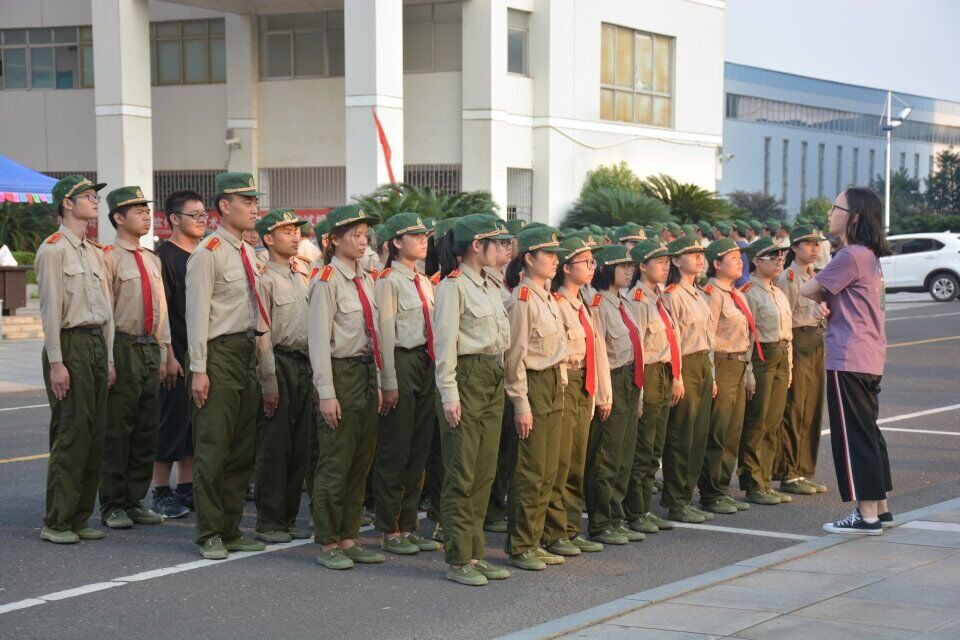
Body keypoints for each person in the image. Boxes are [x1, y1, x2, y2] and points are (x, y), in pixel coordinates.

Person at [185, 172, 268, 559]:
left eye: (255, 201)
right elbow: (197, 315)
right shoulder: (209, 252)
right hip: (218, 354)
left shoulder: (247, 253)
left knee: (240, 448)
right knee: (213, 448)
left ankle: (231, 528)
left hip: (246, 353)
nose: (254, 208)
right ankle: (209, 532)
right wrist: (199, 369)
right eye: (246, 202)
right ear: (224, 206)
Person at [801, 188, 892, 535]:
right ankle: (880, 508)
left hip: (848, 355)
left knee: (853, 436)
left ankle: (866, 515)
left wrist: (823, 293)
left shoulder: (850, 255)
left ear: (854, 216)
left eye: (835, 207)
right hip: (868, 355)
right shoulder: (869, 256)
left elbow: (808, 289)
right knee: (868, 432)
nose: (829, 212)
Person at [433, 214, 513, 586]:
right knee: (462, 471)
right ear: (476, 245)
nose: (503, 248)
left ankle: (475, 552)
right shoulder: (453, 287)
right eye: (496, 242)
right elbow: (444, 344)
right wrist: (449, 393)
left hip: (491, 376)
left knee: (484, 471)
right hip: (466, 377)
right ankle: (459, 557)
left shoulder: (488, 284)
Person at [35, 175, 114, 544]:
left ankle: (80, 516)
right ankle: (57, 520)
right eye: (87, 196)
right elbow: (50, 311)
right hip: (70, 345)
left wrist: (109, 359)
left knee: (95, 436)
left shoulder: (94, 251)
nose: (94, 200)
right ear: (67, 203)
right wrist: (57, 362)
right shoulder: (53, 250)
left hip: (95, 344)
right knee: (71, 434)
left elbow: (107, 312)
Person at [309, 204, 386, 570]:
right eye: (354, 234)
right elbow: (318, 342)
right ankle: (328, 540)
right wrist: (326, 393)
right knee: (335, 460)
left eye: (364, 235)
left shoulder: (366, 279)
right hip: (340, 373)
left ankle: (349, 537)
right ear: (334, 240)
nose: (361, 240)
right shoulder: (326, 281)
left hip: (366, 373)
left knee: (360, 460)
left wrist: (381, 382)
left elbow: (375, 334)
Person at [99, 186, 169, 529]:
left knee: (146, 429)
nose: (146, 215)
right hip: (123, 347)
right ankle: (112, 503)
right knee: (118, 430)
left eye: (147, 210)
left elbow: (162, 311)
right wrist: (109, 360)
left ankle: (134, 500)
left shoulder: (152, 259)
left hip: (150, 348)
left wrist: (165, 353)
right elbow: (105, 313)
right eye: (138, 211)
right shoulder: (107, 257)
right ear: (118, 217)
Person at [372, 212, 441, 556]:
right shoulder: (389, 281)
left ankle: (409, 524)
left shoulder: (423, 280)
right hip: (401, 361)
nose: (423, 240)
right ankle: (390, 528)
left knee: (419, 447)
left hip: (425, 362)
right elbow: (384, 333)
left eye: (425, 235)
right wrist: (387, 381)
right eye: (415, 236)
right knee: (396, 448)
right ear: (396, 242)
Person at [502, 226, 568, 571]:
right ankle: (521, 543)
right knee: (530, 470)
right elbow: (514, 357)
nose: (555, 261)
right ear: (529, 258)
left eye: (557, 255)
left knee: (548, 469)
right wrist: (520, 403)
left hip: (553, 383)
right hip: (533, 385)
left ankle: (536, 538)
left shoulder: (546, 297)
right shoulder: (522, 300)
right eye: (548, 254)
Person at [543, 237, 611, 555]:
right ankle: (554, 532)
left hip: (584, 383)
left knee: (576, 462)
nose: (592, 267)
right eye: (586, 262)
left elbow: (596, 350)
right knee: (560, 461)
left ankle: (571, 528)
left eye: (593, 262)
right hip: (566, 383)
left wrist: (601, 393)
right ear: (567, 268)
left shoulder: (583, 303)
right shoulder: (557, 303)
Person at [251, 209, 313, 544]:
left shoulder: (302, 273)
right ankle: (269, 520)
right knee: (275, 445)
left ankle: (288, 518)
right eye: (286, 231)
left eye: (296, 230)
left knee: (299, 445)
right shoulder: (265, 278)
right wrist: (268, 379)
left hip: (303, 362)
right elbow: (262, 333)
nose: (295, 236)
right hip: (279, 361)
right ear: (268, 238)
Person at [623, 239, 684, 533]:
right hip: (647, 374)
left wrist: (675, 376)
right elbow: (637, 348)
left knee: (655, 446)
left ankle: (645, 508)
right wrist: (641, 391)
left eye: (667, 262)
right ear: (642, 266)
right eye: (659, 262)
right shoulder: (637, 300)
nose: (666, 266)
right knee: (643, 446)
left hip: (663, 372)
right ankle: (635, 510)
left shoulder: (658, 297)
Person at [584, 245, 643, 546]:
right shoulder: (598, 304)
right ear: (607, 269)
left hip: (630, 381)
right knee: (606, 456)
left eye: (631, 266)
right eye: (622, 266)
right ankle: (600, 522)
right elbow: (598, 355)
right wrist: (604, 394)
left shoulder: (625, 302)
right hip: (613, 381)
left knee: (624, 455)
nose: (629, 271)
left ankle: (616, 518)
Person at [154, 190, 207, 518]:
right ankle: (161, 491)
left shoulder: (203, 255)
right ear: (174, 219)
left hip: (198, 352)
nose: (202, 220)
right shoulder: (164, 257)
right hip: (176, 351)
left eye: (204, 215)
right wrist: (169, 355)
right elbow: (162, 312)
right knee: (170, 424)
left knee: (192, 425)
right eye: (194, 215)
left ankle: (186, 487)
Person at [696, 238, 754, 515]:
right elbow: (707, 337)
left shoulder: (737, 293)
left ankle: (721, 488)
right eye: (732, 258)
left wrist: (749, 372)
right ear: (716, 264)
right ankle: (710, 492)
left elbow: (747, 337)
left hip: (739, 365)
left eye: (740, 257)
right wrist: (711, 375)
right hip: (721, 364)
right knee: (717, 432)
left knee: (732, 432)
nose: (740, 261)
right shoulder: (712, 293)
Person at [660, 236, 715, 524]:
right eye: (692, 254)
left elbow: (708, 337)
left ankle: (687, 496)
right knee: (681, 436)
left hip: (703, 364)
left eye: (700, 253)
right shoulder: (672, 295)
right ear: (675, 260)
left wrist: (712, 373)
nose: (699, 258)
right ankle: (676, 501)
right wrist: (677, 376)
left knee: (699, 436)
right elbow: (672, 340)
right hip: (685, 365)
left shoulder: (699, 293)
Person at [737, 237, 794, 506]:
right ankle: (752, 482)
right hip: (761, 358)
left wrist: (790, 365)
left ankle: (765, 480)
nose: (779, 261)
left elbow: (788, 334)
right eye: (773, 258)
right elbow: (746, 336)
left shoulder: (777, 291)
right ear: (756, 262)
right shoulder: (749, 291)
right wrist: (748, 371)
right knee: (756, 421)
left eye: (780, 257)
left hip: (780, 356)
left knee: (773, 421)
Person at [774, 225, 830, 496]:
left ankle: (804, 470)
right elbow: (783, 320)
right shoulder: (788, 278)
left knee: (812, 407)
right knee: (794, 408)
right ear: (794, 247)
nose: (814, 248)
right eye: (808, 243)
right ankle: (789, 472)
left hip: (816, 341)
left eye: (817, 243)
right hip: (797, 342)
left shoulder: (814, 276)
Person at [483, 218, 518, 534]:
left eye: (509, 242)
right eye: (501, 242)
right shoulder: (468, 283)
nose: (508, 247)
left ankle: (497, 503)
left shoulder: (502, 284)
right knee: (487, 449)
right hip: (485, 371)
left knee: (505, 445)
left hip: (504, 370)